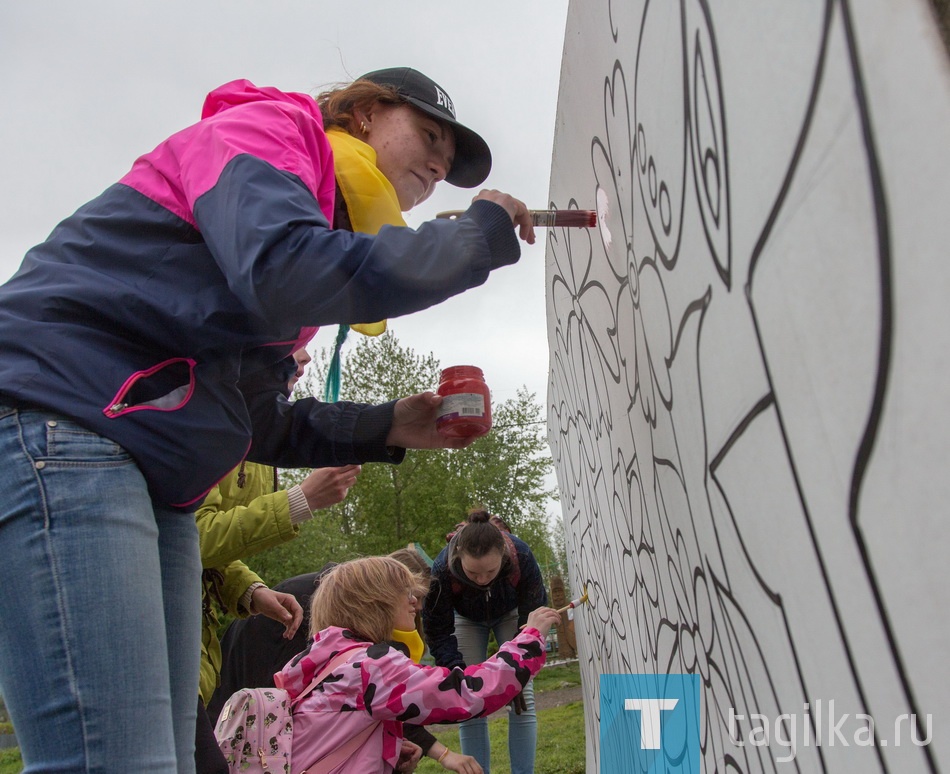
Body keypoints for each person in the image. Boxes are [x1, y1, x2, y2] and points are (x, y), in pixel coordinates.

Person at [0, 64, 536, 773]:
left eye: (448, 162)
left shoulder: (305, 240)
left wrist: (389, 424)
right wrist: (478, 236)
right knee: (114, 761)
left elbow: (251, 419)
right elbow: (287, 271)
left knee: (166, 759)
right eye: (430, 135)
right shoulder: (266, 134)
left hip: (148, 472)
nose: (439, 164)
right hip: (63, 426)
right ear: (365, 114)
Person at [194, 347, 362, 773]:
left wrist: (250, 591)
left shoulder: (244, 429)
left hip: (189, 652)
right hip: (156, 643)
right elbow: (188, 538)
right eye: (291, 343)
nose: (305, 357)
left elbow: (203, 550)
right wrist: (299, 501)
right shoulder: (204, 422)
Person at [265, 556, 560, 774]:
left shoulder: (325, 659)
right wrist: (529, 639)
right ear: (374, 602)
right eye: (404, 593)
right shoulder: (370, 665)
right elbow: (467, 695)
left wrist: (383, 747)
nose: (414, 603)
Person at [209, 548, 483, 773]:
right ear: (383, 594)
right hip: (236, 697)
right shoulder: (321, 618)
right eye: (413, 597)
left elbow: (371, 701)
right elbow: (308, 720)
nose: (418, 606)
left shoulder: (342, 616)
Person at [422, 510, 549, 774]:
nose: (482, 579)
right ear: (458, 556)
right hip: (466, 619)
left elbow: (532, 615)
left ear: (502, 553)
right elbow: (438, 630)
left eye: (490, 571)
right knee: (467, 702)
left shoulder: (522, 556)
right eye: (472, 572)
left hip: (512, 617)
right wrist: (455, 672)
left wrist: (518, 670)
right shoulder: (441, 570)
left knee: (522, 699)